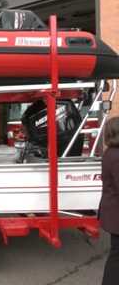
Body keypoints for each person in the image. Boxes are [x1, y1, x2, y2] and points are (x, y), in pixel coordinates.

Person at [99, 116, 119, 285]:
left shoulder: (110, 152)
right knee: (116, 256)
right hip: (116, 214)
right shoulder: (117, 155)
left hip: (112, 212)